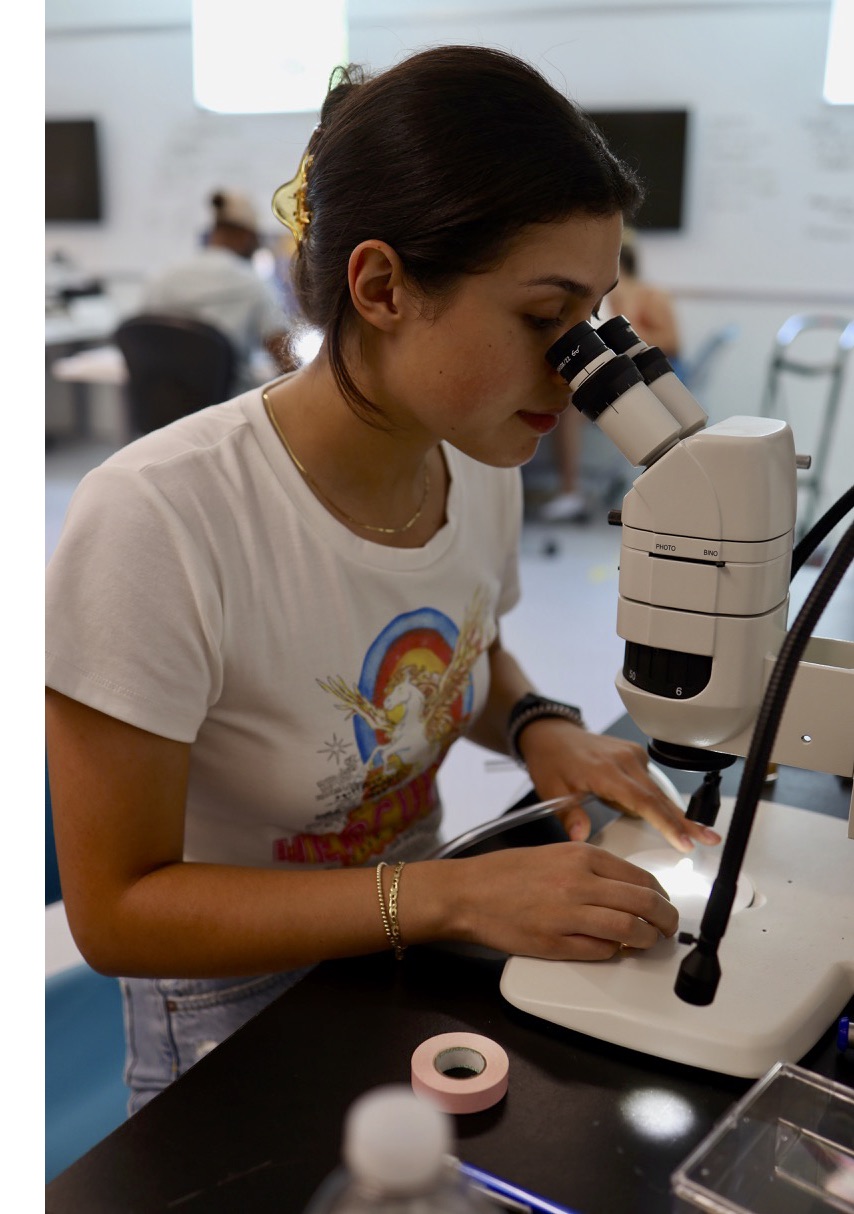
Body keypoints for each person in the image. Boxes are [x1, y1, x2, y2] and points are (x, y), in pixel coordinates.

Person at [46, 47, 718, 1114]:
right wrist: (446, 894)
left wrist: (540, 723)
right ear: (381, 285)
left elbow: (464, 640)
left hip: (412, 934)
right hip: (233, 992)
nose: (577, 369)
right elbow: (118, 910)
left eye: (592, 319)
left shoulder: (478, 452)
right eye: (544, 321)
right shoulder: (158, 517)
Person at [541, 237, 684, 521]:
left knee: (571, 411)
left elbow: (673, 343)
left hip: (652, 376)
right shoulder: (610, 299)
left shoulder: (650, 296)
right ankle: (570, 491)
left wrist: (622, 330)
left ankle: (570, 489)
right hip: (620, 374)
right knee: (571, 404)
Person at [139, 189, 299, 392]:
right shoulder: (254, 284)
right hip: (227, 410)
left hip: (163, 409)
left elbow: (142, 338)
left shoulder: (162, 278)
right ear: (246, 237)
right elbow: (285, 355)